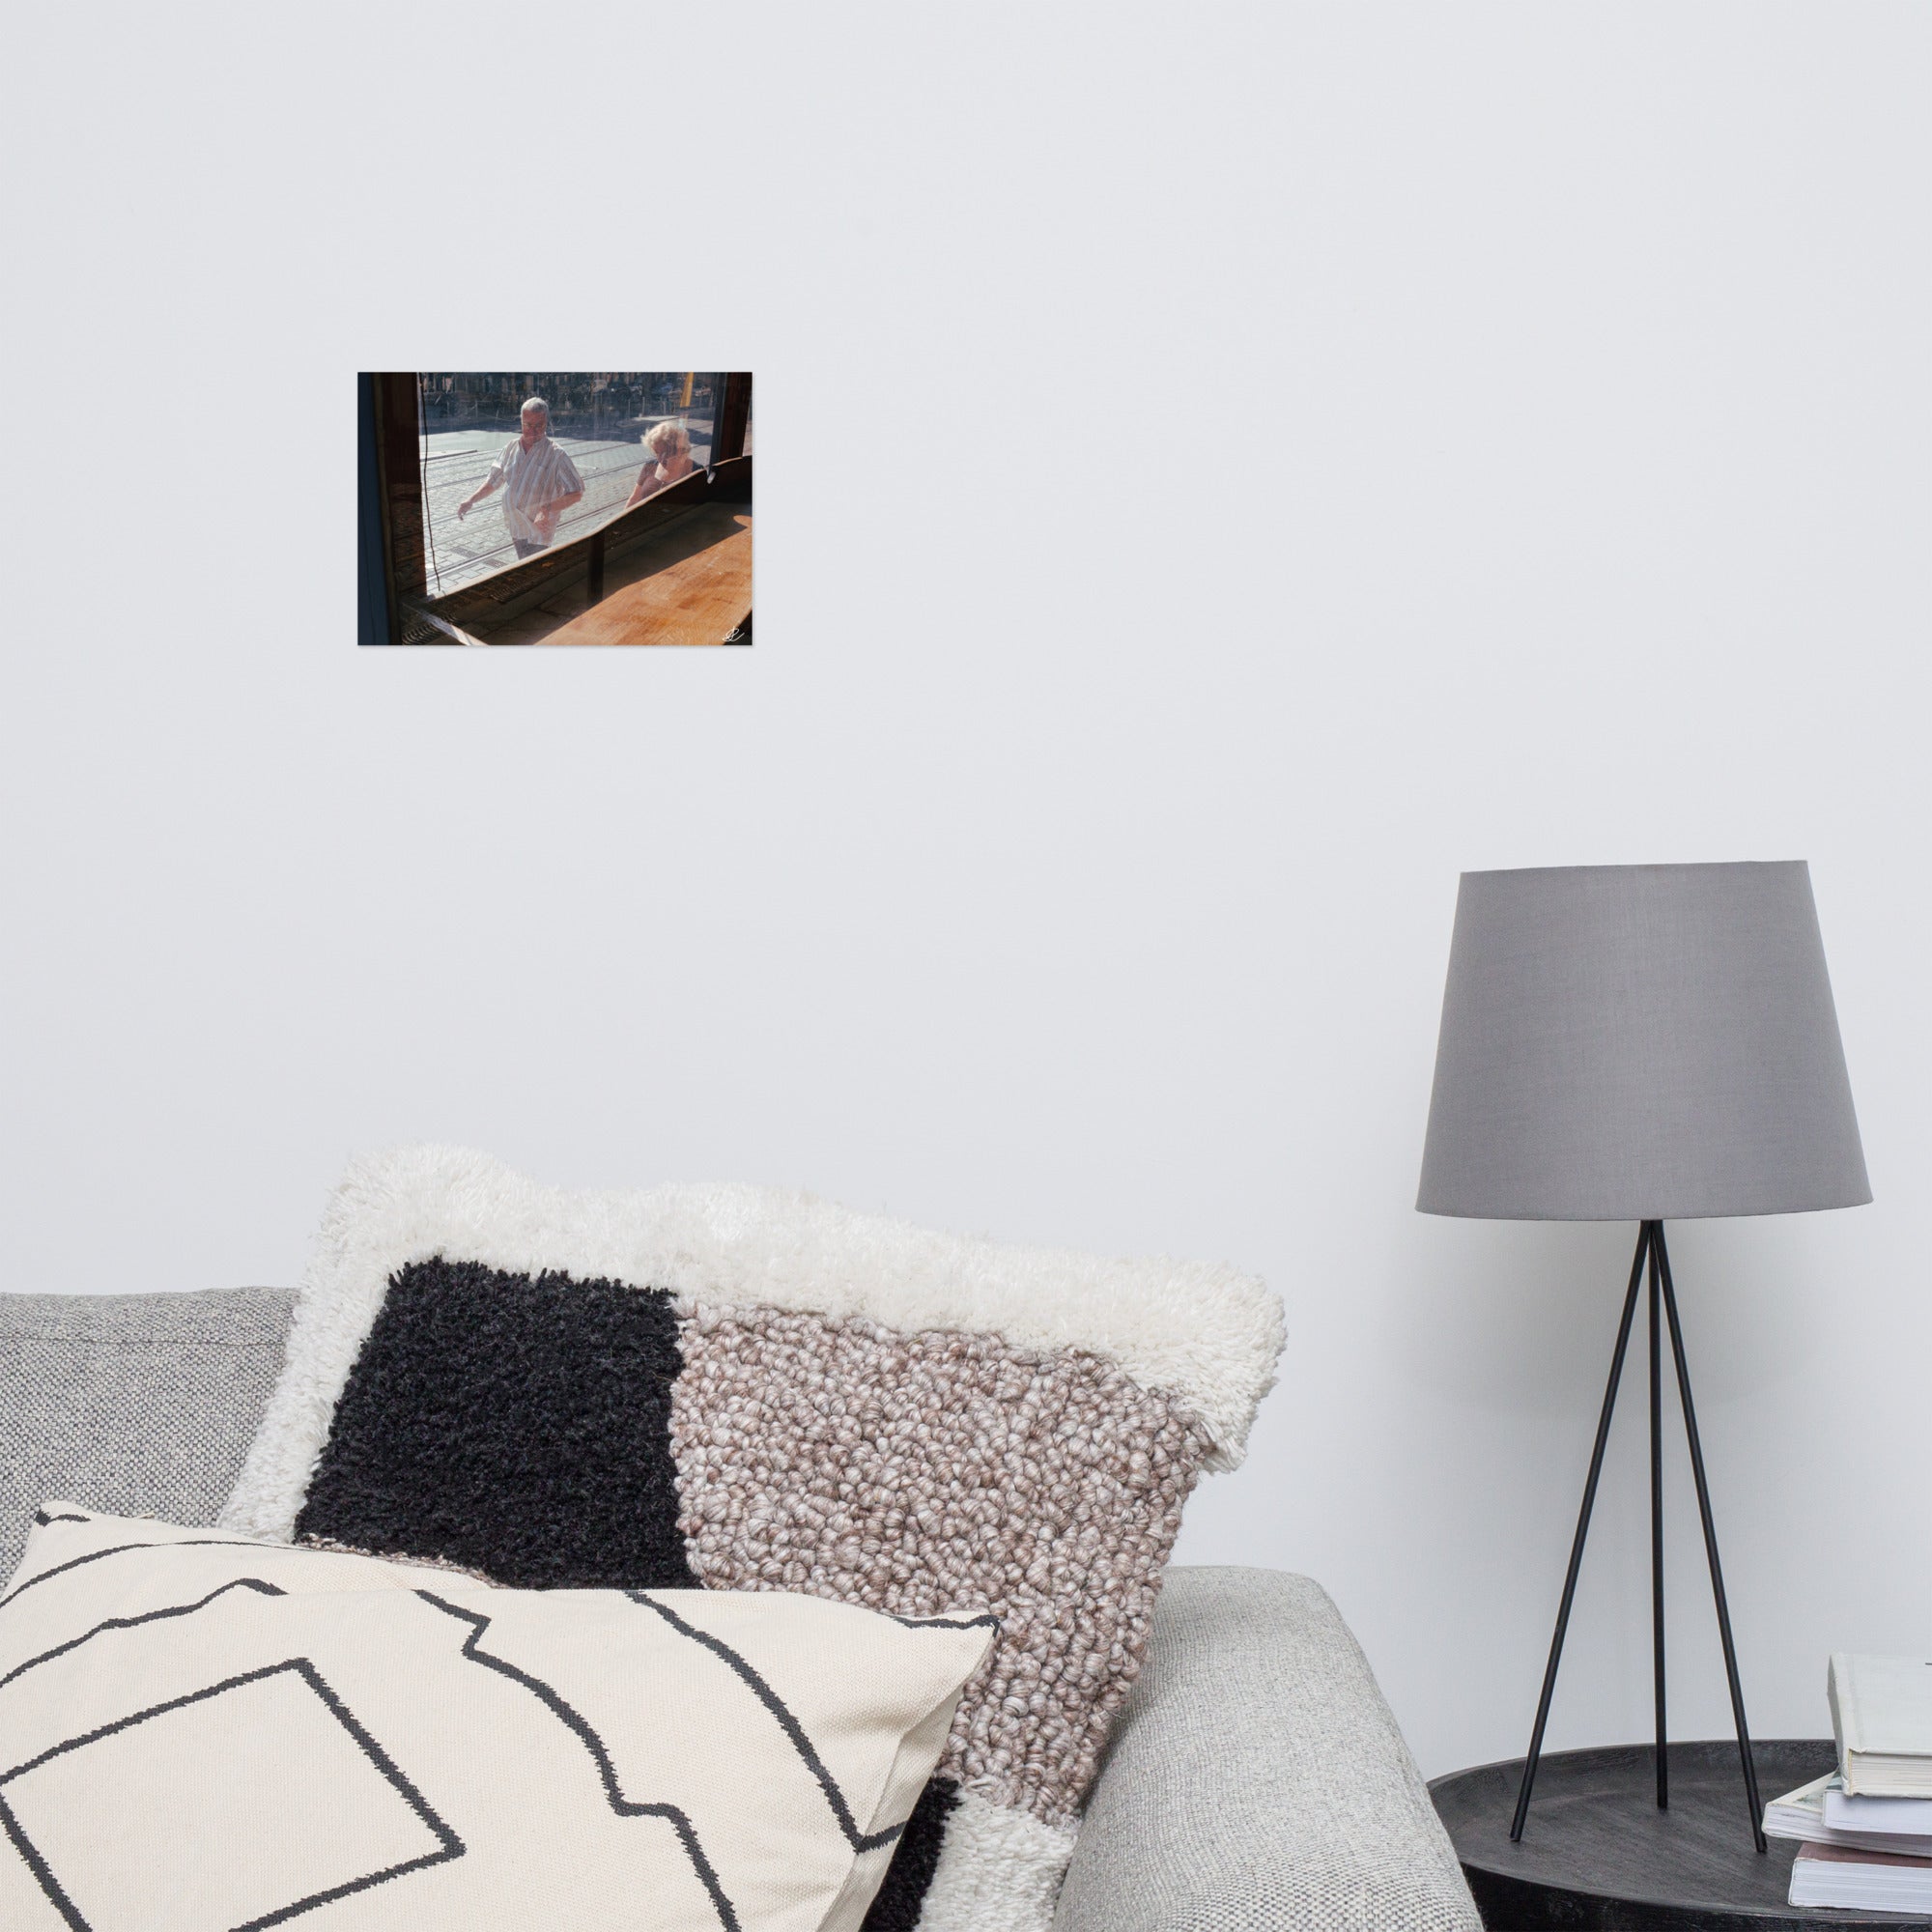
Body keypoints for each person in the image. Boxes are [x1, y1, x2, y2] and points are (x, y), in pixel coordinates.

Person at [456, 398, 585, 558]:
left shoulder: (556, 454)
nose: (533, 431)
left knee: (532, 570)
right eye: (528, 425)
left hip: (538, 530)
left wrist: (546, 509)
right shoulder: (510, 448)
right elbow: (493, 480)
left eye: (539, 425)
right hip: (516, 526)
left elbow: (577, 492)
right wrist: (471, 500)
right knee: (525, 567)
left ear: (546, 423)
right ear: (521, 421)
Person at [625, 420, 696, 508]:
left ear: (679, 449)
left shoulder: (694, 470)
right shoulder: (650, 466)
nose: (660, 459)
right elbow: (633, 500)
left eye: (665, 453)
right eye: (656, 452)